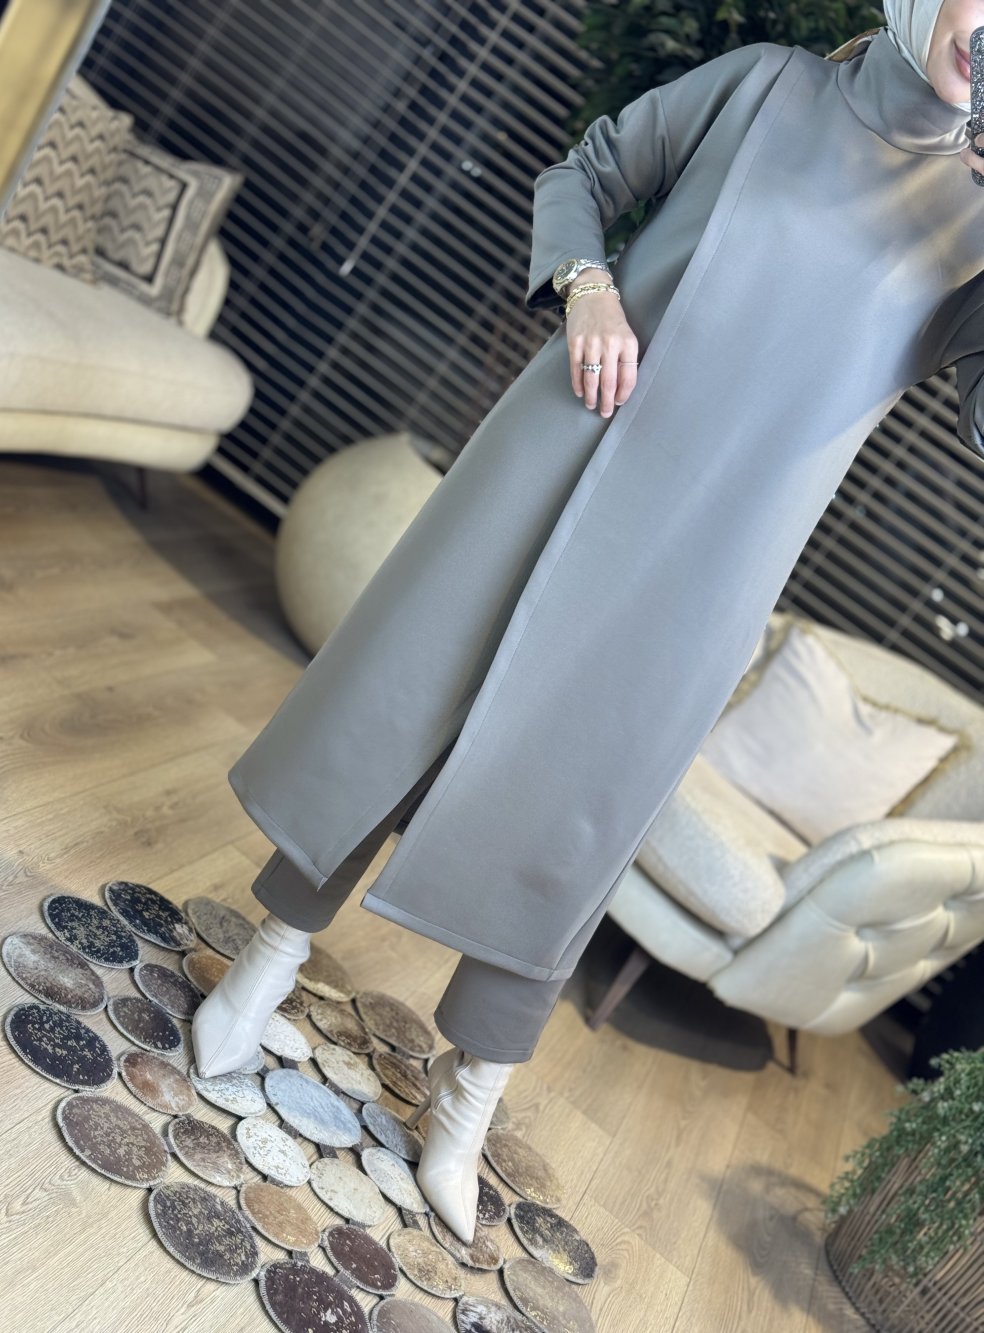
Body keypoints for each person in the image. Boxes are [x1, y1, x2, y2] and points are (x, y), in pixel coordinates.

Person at [193, 0, 984, 1243]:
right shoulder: (767, 85)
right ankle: (270, 957)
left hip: (711, 554)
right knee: (413, 699)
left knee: (580, 806)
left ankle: (470, 1095)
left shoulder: (970, 226)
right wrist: (588, 289)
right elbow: (586, 172)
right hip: (571, 438)